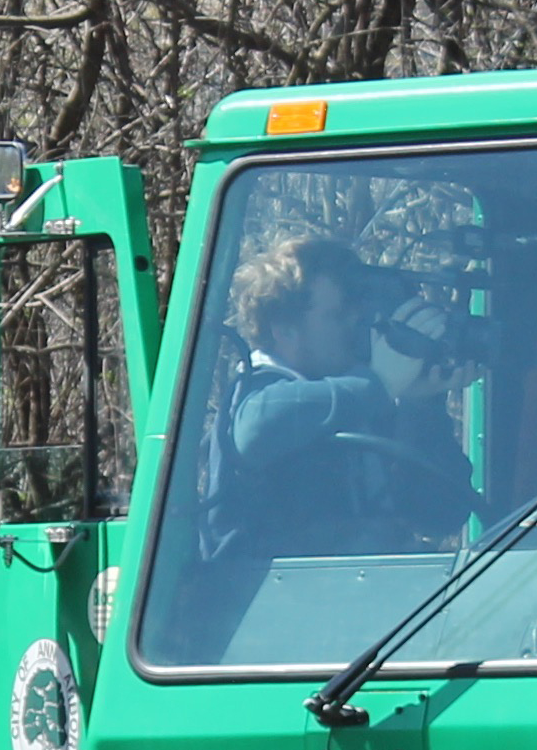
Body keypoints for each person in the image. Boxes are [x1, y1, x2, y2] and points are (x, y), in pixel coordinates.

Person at [205, 231, 488, 562]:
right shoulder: (258, 392)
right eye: (337, 316)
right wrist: (378, 384)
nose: (355, 324)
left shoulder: (354, 396)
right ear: (285, 331)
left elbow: (440, 516)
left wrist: (420, 405)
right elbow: (255, 431)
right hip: (264, 606)